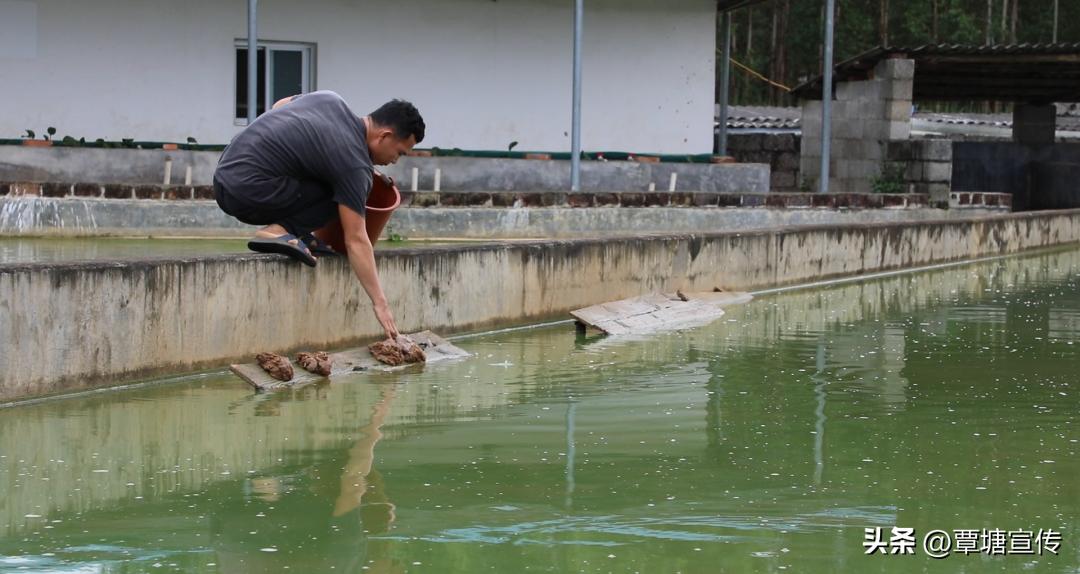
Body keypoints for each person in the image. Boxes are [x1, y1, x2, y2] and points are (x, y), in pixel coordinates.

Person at [213, 91, 425, 340]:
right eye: (399, 152)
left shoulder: (329, 99)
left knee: (336, 178)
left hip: (224, 178)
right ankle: (278, 231)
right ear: (385, 136)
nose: (395, 160)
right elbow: (355, 239)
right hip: (249, 193)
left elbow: (280, 104)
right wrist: (381, 303)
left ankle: (299, 233)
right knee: (342, 193)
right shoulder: (354, 167)